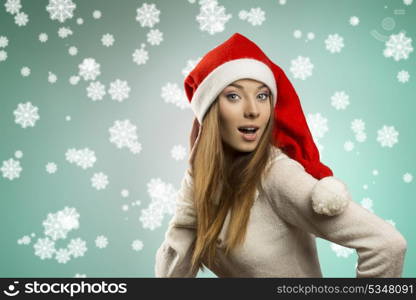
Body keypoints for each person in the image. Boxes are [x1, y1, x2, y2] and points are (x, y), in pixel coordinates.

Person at [154, 33, 407, 277]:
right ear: (209, 112)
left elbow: (387, 244)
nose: (253, 110)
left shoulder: (276, 173)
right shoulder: (208, 184)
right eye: (233, 96)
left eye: (262, 96)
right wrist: (195, 179)